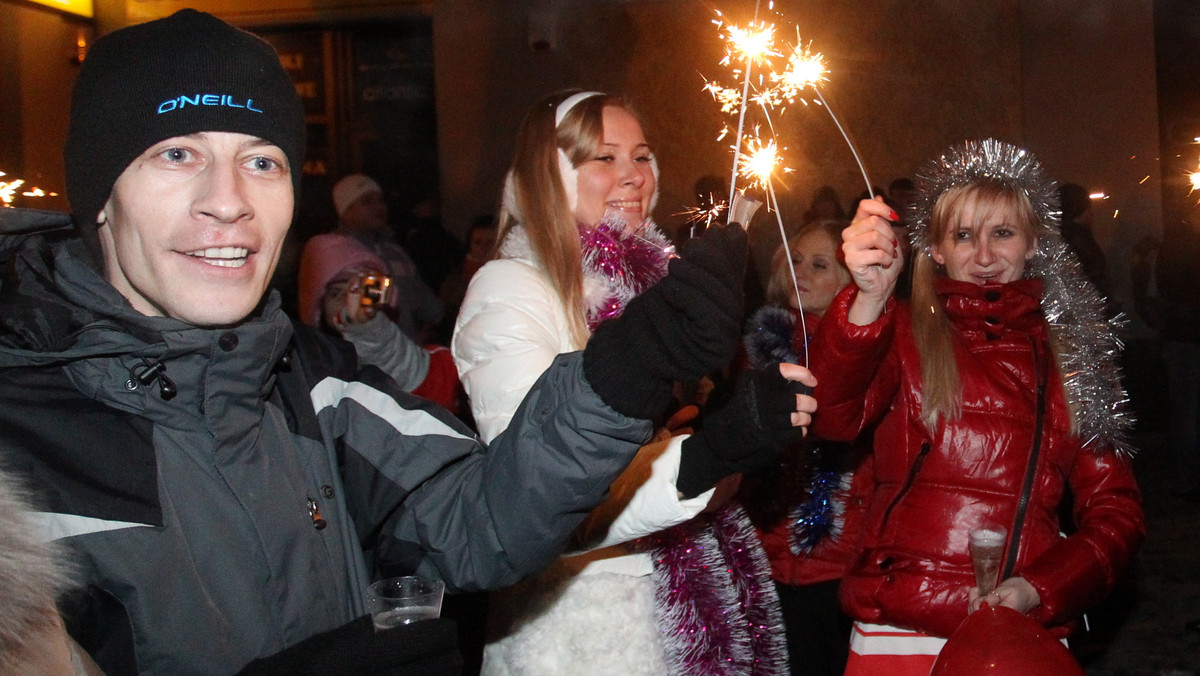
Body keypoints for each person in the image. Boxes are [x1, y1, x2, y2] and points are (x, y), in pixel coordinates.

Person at [0, 13, 781, 675]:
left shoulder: (317, 387)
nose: (228, 203)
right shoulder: (21, 432)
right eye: (178, 154)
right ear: (101, 196)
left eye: (261, 161)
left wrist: (624, 374)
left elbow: (484, 520)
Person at [453, 90, 816, 675]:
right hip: (583, 630)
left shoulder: (654, 288)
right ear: (550, 174)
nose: (633, 176)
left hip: (679, 606)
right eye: (603, 158)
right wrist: (709, 451)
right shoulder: (511, 290)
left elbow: (685, 436)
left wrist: (742, 423)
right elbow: (533, 502)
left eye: (642, 157)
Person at [810, 139, 1144, 674]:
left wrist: (1038, 588)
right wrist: (868, 299)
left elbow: (1116, 513)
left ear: (1033, 241)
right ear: (936, 249)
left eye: (1002, 233)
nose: (984, 257)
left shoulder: (1073, 360)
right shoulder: (901, 332)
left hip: (1016, 630)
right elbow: (831, 416)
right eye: (963, 236)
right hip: (899, 630)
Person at [740, 220, 872, 675]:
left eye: (820, 265)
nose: (801, 274)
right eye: (795, 261)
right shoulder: (762, 346)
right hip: (765, 553)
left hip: (835, 565)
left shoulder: (862, 349)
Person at [296, 232, 463, 415]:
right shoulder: (303, 369)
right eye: (336, 293)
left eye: (361, 291)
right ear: (318, 305)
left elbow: (407, 370)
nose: (349, 302)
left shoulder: (412, 359)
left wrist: (365, 327)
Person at [329, 173, 444, 341]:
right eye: (367, 201)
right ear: (346, 211)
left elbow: (424, 299)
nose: (379, 207)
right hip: (362, 359)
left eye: (380, 200)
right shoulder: (339, 254)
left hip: (405, 356)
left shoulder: (394, 252)